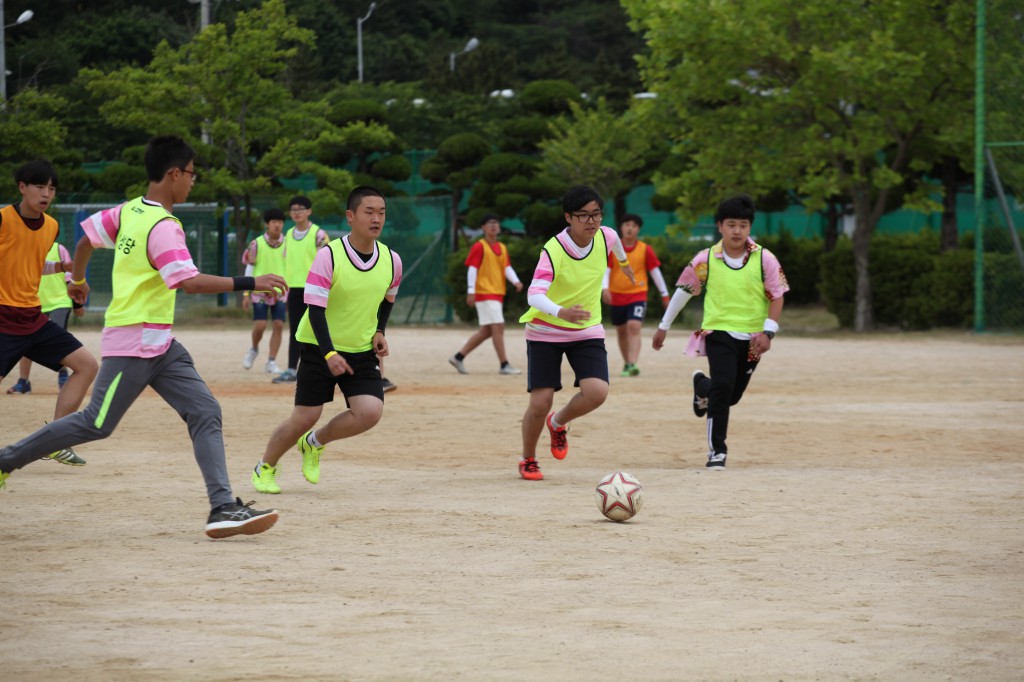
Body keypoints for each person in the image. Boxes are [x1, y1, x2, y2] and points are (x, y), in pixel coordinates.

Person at [0, 136, 285, 539]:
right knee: (95, 424)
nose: (193, 181)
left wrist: (77, 280)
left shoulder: (129, 210)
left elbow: (84, 240)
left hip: (161, 344)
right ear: (174, 174)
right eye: (191, 173)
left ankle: (222, 507)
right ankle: (5, 461)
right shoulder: (164, 227)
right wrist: (252, 281)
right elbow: (185, 281)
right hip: (133, 342)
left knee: (205, 411)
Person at [251, 186, 402, 494]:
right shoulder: (329, 255)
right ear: (351, 216)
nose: (376, 219)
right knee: (305, 416)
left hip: (360, 350)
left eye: (381, 213)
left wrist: (379, 332)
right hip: (319, 347)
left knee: (370, 412)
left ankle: (314, 444)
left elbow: (387, 300)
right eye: (369, 212)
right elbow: (315, 311)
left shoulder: (391, 260)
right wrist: (329, 353)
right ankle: (265, 466)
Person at [652, 194, 788, 469]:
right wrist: (663, 326)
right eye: (731, 225)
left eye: (743, 225)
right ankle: (717, 452)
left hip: (752, 339)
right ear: (719, 226)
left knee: (731, 396)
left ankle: (702, 386)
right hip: (718, 332)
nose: (737, 231)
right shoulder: (705, 259)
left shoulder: (765, 259)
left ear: (750, 227)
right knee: (724, 387)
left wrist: (768, 332)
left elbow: (777, 296)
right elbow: (683, 292)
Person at [516, 185, 634, 481]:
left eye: (596, 214)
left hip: (586, 329)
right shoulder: (553, 250)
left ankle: (557, 424)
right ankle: (528, 458)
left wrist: (625, 266)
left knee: (598, 392)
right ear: (568, 217)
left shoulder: (606, 236)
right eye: (584, 216)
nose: (592, 221)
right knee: (540, 402)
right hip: (545, 331)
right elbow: (534, 295)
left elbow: (617, 245)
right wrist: (561, 312)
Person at [0, 160, 98, 466]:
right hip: (3, 319)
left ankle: (54, 440)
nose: (46, 194)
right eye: (40, 186)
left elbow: (32, 264)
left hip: (33, 317)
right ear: (22, 188)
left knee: (86, 365)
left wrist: (62, 269)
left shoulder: (51, 226)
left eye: (52, 188)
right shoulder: (3, 219)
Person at [448, 214, 524, 375]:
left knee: (487, 331)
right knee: (498, 327)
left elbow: (506, 267)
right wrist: (471, 291)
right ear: (482, 228)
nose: (493, 225)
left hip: (497, 293)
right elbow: (472, 269)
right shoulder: (479, 246)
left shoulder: (502, 247)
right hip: (484, 292)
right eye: (489, 223)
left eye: (496, 222)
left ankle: (458, 357)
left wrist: (516, 281)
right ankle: (504, 364)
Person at [7, 240, 86, 394]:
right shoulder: (27, 247)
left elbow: (70, 275)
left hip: (59, 302)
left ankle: (63, 375)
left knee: (58, 341)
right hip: (34, 302)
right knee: (25, 342)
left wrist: (77, 305)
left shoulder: (59, 248)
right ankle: (23, 382)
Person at [601, 213, 670, 377]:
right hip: (617, 295)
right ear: (621, 228)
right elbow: (607, 270)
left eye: (634, 225)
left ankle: (633, 362)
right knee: (621, 331)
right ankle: (627, 363)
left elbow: (655, 273)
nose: (630, 228)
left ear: (638, 229)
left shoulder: (645, 249)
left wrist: (665, 295)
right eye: (627, 225)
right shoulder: (613, 249)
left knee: (634, 326)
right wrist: (604, 288)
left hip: (637, 294)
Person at [271, 196, 329, 384]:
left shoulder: (318, 234)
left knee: (318, 329)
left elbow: (329, 261)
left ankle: (324, 368)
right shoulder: (288, 234)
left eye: (301, 209)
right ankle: (291, 369)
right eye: (293, 209)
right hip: (294, 289)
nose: (297, 212)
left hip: (315, 289)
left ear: (309, 211)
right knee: (296, 330)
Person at [241, 208, 287, 374]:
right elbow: (249, 268)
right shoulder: (256, 244)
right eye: (274, 222)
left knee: (279, 324)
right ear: (267, 224)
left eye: (280, 222)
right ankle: (254, 349)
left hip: (280, 292)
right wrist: (246, 293)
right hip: (259, 292)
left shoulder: (288, 244)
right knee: (260, 325)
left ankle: (271, 361)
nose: (277, 225)